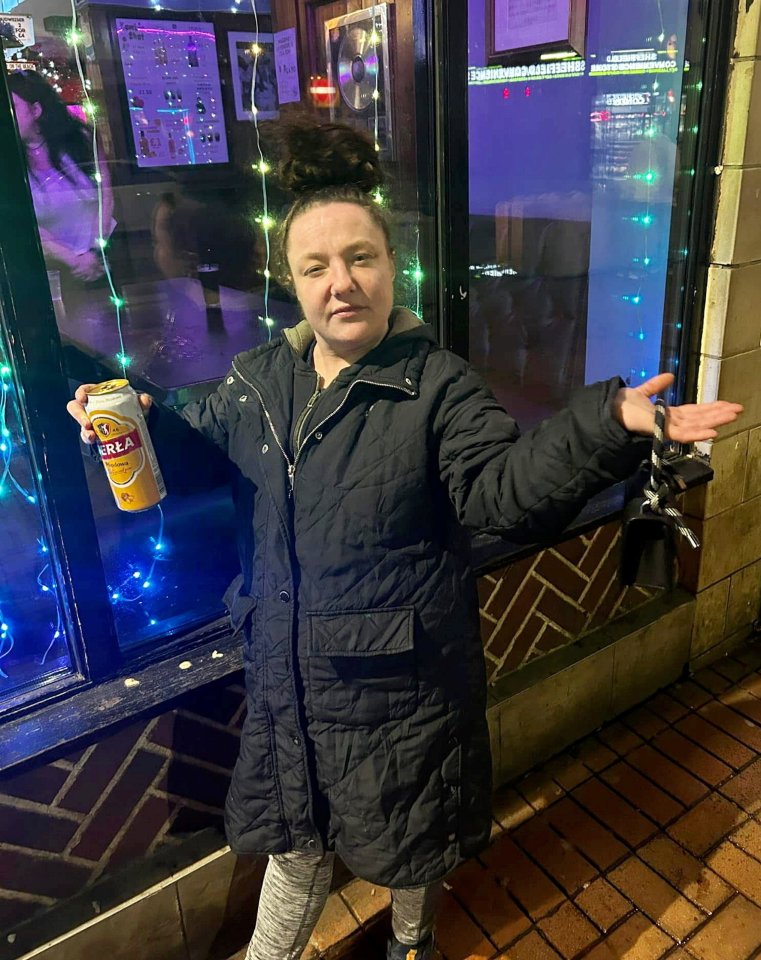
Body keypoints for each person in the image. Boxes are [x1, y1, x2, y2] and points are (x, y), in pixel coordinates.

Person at [67, 121, 742, 960]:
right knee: (297, 848)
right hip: (288, 676)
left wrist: (605, 423)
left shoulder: (437, 387)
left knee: (414, 836)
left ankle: (410, 943)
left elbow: (502, 493)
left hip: (402, 684)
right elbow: (197, 449)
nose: (341, 282)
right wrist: (127, 419)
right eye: (316, 266)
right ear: (291, 283)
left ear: (392, 267)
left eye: (361, 258)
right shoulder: (257, 382)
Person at [9, 70, 114, 283]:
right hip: (50, 271)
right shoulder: (9, 161)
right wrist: (74, 260)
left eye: (12, 107)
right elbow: (27, 225)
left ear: (36, 109)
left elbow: (106, 195)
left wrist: (95, 250)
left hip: (103, 257)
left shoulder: (80, 141)